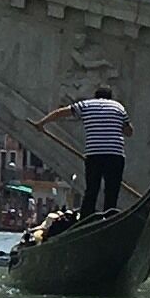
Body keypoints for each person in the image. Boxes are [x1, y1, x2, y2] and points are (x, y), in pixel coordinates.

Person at [55, 84, 127, 218]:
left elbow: (61, 112)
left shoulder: (86, 105)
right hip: (115, 155)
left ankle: (86, 218)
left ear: (96, 96)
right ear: (110, 97)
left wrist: (42, 123)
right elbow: (128, 131)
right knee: (112, 191)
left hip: (94, 155)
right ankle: (109, 218)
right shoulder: (119, 107)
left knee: (92, 190)